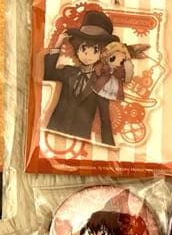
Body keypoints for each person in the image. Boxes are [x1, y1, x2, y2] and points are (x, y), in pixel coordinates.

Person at [43, 9, 117, 145]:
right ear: (77, 49)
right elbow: (46, 74)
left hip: (79, 142)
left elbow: (105, 119)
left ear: (102, 54)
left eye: (95, 50)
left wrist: (110, 148)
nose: (88, 55)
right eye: (84, 48)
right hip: (53, 134)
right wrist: (58, 45)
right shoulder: (67, 71)